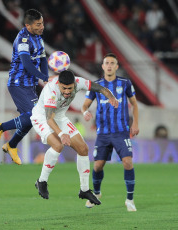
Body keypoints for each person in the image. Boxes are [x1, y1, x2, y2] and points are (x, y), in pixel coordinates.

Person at [31, 70, 118, 205]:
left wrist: (111, 96)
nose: (66, 91)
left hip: (59, 117)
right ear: (58, 84)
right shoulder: (51, 91)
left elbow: (100, 88)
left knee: (83, 149)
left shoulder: (79, 82)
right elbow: (49, 119)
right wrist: (61, 134)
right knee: (58, 145)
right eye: (63, 88)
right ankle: (42, 181)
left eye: (69, 88)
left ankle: (84, 190)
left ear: (74, 85)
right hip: (42, 118)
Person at [0, 9, 49, 165]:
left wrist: (46, 77)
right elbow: (27, 64)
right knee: (33, 115)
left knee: (32, 119)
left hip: (30, 85)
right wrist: (43, 77)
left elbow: (43, 60)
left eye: (42, 23)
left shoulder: (38, 38)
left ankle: (11, 145)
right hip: (18, 84)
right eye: (38, 24)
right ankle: (0, 127)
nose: (42, 26)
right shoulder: (23, 39)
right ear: (28, 26)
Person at [81, 53, 139, 212]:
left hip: (121, 132)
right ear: (102, 66)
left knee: (128, 162)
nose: (109, 65)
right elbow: (84, 105)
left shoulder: (125, 83)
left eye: (112, 63)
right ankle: (97, 194)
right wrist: (85, 112)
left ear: (116, 66)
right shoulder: (96, 85)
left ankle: (130, 199)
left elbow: (134, 104)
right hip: (103, 134)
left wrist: (135, 122)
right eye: (106, 63)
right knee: (98, 166)